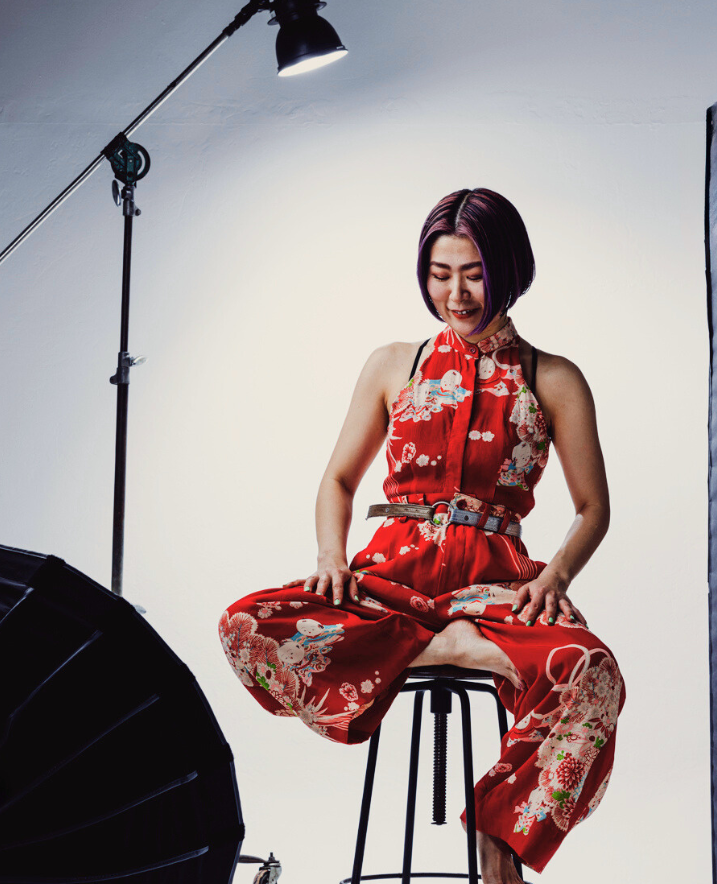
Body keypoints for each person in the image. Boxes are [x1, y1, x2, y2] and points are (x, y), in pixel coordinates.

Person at [218, 188, 625, 882]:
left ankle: (497, 833)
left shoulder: (553, 378)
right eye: (440, 275)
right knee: (245, 623)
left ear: (508, 271)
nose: (456, 294)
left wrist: (555, 577)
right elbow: (338, 481)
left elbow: (593, 509)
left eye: (474, 274)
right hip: (389, 586)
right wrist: (331, 558)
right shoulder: (393, 364)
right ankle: (442, 646)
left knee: (592, 671)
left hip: (498, 592)